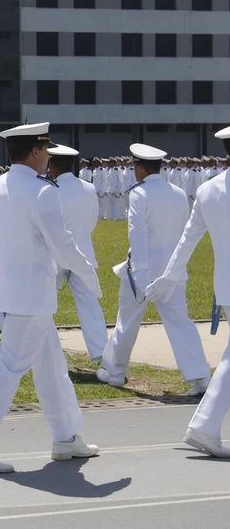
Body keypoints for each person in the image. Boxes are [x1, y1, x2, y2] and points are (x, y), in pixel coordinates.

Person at [0, 122, 101, 473]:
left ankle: (66, 435)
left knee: (52, 367)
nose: (49, 155)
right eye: (46, 149)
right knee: (8, 367)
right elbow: (62, 244)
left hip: (11, 294)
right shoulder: (42, 191)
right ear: (34, 152)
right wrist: (87, 272)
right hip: (34, 296)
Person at [99, 144, 209, 394]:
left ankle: (115, 372)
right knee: (180, 322)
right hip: (172, 269)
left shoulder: (139, 193)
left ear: (139, 168)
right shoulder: (178, 193)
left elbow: (137, 237)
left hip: (143, 269)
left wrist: (140, 276)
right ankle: (199, 376)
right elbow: (183, 233)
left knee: (127, 322)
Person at [147, 125, 230, 456]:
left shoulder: (209, 190)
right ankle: (205, 425)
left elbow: (187, 239)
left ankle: (205, 425)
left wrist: (169, 275)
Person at [45, 145, 107, 361]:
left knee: (43, 304)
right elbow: (92, 220)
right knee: (89, 305)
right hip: (83, 252)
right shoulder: (88, 188)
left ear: (52, 164)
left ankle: (44, 351)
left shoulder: (49, 189)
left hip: (55, 255)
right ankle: (101, 353)